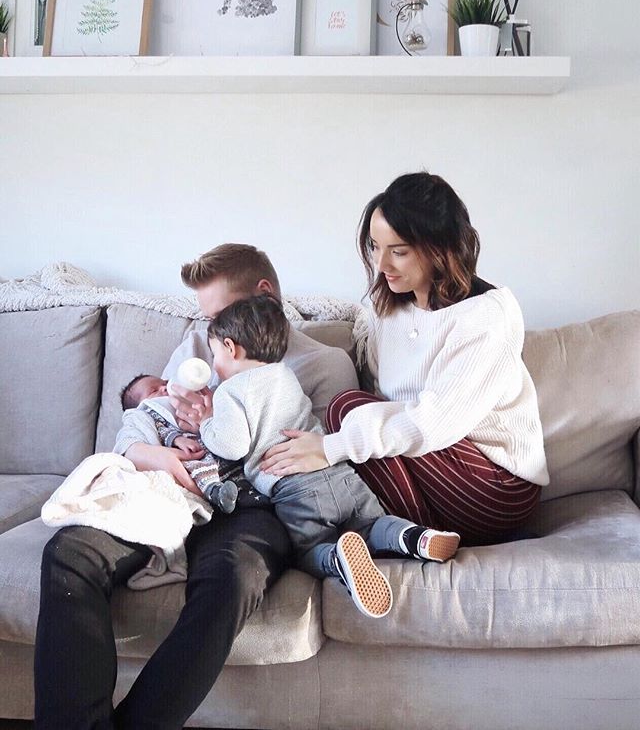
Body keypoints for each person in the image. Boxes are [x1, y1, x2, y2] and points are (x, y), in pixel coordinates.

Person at [34, 243, 359, 730]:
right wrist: (159, 455)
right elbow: (146, 422)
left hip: (256, 506)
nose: (209, 334)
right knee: (69, 553)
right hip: (172, 492)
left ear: (264, 294)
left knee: (233, 577)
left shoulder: (324, 364)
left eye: (217, 316)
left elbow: (319, 468)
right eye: (206, 319)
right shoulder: (195, 346)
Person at [262, 172, 550, 548]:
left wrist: (331, 447)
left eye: (398, 251)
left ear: (439, 248)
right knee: (345, 410)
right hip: (431, 477)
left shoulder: (487, 315)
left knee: (348, 410)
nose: (382, 264)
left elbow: (435, 423)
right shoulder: (389, 307)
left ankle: (390, 534)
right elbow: (380, 397)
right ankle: (414, 539)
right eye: (374, 247)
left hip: (496, 484)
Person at [192, 294, 460, 618]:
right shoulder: (284, 374)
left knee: (305, 552)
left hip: (295, 490)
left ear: (230, 347)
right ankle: (414, 536)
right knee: (372, 524)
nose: (214, 364)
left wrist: (207, 422)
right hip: (339, 472)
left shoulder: (229, 391)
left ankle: (337, 560)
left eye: (214, 354)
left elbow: (232, 445)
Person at [118, 373, 239, 514]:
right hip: (188, 459)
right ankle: (216, 492)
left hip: (216, 449)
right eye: (153, 391)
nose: (164, 387)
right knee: (198, 469)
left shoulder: (197, 397)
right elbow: (158, 431)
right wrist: (177, 439)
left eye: (165, 383)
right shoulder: (148, 414)